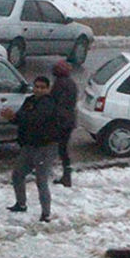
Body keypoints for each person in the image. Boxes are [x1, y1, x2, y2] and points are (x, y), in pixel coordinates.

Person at [2, 75, 58, 222]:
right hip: (29, 146)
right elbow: (21, 118)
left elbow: (35, 119)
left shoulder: (48, 103)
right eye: (36, 86)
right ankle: (21, 204)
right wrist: (12, 118)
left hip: (45, 148)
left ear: (48, 89)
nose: (38, 90)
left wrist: (16, 117)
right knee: (17, 175)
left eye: (42, 87)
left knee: (41, 181)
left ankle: (46, 213)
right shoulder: (30, 101)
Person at [49, 59, 78, 187]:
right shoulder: (71, 83)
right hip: (69, 120)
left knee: (51, 146)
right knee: (63, 149)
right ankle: (67, 175)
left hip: (60, 121)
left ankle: (43, 170)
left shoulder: (59, 84)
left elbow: (55, 102)